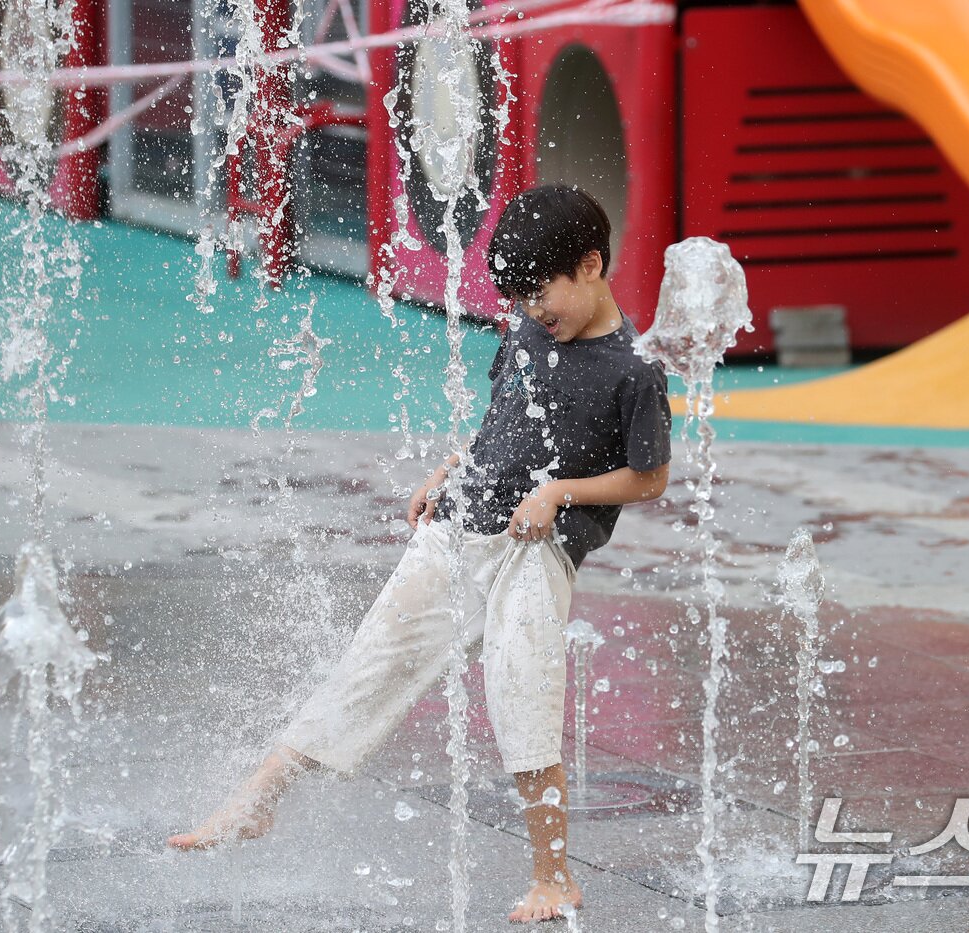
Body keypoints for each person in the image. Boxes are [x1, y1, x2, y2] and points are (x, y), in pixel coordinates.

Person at [167, 184, 674, 924]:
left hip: (536, 552)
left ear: (591, 265)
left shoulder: (633, 369)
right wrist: (449, 469)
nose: (535, 310)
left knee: (521, 696)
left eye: (543, 293)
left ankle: (553, 876)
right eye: (522, 298)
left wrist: (562, 492)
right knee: (369, 662)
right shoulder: (529, 333)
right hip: (459, 528)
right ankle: (256, 801)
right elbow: (501, 424)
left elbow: (651, 477)